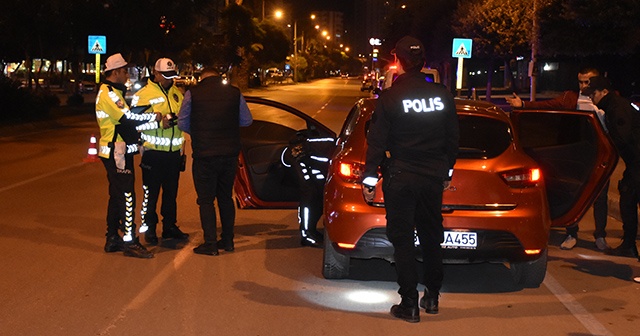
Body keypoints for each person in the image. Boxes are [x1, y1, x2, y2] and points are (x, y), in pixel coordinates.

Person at [362, 36, 459, 323]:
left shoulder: (391, 97)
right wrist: (446, 170)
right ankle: (432, 296)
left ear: (400, 62)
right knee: (431, 236)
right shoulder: (442, 95)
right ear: (423, 61)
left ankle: (409, 303)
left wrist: (369, 179)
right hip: (432, 177)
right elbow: (452, 138)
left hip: (401, 176)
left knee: (402, 239)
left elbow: (376, 142)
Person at [506, 68, 611, 252]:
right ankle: (571, 233)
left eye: (588, 82)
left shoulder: (606, 99)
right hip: (575, 153)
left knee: (600, 198)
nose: (584, 86)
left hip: (600, 154)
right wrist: (522, 104)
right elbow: (547, 105)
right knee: (572, 192)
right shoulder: (570, 98)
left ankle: (600, 236)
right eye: (581, 82)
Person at [178, 67, 253, 256]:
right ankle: (227, 241)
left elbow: (182, 122)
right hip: (229, 155)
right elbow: (246, 121)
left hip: (204, 155)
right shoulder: (234, 93)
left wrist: (198, 131)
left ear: (201, 78)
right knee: (225, 198)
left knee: (205, 200)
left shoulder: (192, 93)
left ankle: (210, 243)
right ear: (218, 77)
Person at [95, 53, 162, 258]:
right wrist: (154, 117)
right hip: (117, 151)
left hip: (119, 150)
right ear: (115, 72)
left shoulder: (114, 91)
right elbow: (128, 118)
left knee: (116, 195)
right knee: (126, 196)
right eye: (124, 71)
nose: (127, 75)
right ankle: (130, 241)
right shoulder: (109, 94)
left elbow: (127, 122)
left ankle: (112, 238)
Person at [131, 58, 188, 246]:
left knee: (171, 194)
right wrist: (157, 122)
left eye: (172, 76)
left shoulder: (177, 93)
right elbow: (134, 123)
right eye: (165, 76)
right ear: (155, 73)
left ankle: (170, 226)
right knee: (151, 194)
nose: (169, 80)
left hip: (173, 153)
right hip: (153, 153)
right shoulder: (143, 95)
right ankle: (149, 229)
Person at [583, 75, 640, 260]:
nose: (591, 97)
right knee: (628, 201)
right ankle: (629, 245)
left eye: (593, 93)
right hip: (635, 163)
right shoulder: (614, 106)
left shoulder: (616, 109)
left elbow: (624, 140)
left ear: (604, 92)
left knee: (628, 200)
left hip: (637, 162)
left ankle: (629, 246)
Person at [280, 129, 334, 247]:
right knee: (309, 197)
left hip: (310, 166)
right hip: (306, 167)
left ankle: (309, 231)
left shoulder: (320, 146)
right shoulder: (324, 146)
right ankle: (307, 234)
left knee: (315, 196)